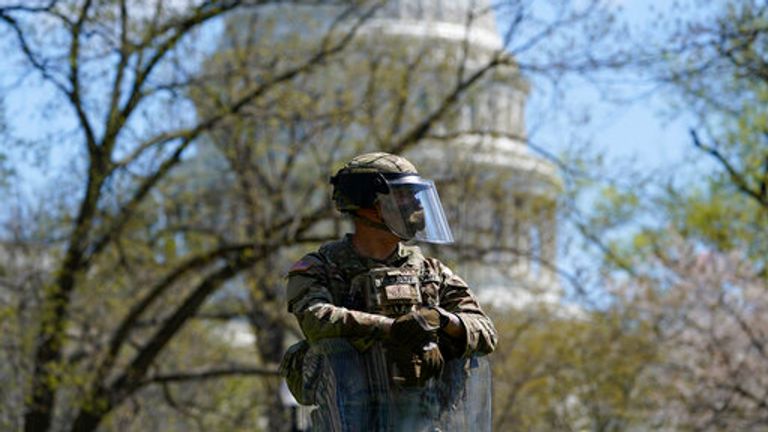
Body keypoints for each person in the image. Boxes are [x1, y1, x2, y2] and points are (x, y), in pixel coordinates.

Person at [281, 152, 497, 431]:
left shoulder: (432, 272)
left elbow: (485, 330)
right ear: (367, 204)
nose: (416, 208)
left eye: (416, 197)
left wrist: (441, 321)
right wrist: (393, 329)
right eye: (404, 197)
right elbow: (316, 318)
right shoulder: (320, 268)